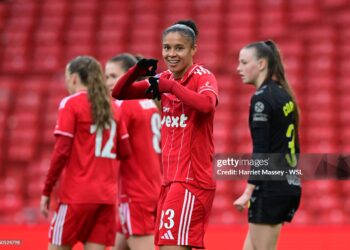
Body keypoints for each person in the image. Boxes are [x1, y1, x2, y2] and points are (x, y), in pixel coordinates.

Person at [112, 20, 219, 250]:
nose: (172, 54)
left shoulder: (203, 76)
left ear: (193, 49)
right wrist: (135, 72)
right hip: (170, 181)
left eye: (179, 48)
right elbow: (119, 92)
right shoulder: (164, 79)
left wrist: (171, 88)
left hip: (191, 180)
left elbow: (207, 105)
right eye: (167, 48)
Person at [40, 56, 131, 250]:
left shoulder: (70, 103)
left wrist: (47, 190)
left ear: (73, 78)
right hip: (105, 199)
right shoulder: (114, 108)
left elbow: (61, 152)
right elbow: (125, 152)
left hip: (76, 197)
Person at [234, 40, 302, 250]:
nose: (239, 68)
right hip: (287, 184)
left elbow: (261, 151)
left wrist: (248, 191)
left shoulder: (262, 99)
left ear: (261, 64)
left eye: (244, 63)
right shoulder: (283, 94)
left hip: (270, 188)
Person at [105, 53, 162, 250]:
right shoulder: (150, 104)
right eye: (106, 77)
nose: (108, 82)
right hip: (152, 187)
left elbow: (116, 149)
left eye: (113, 76)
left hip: (134, 193)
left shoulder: (122, 106)